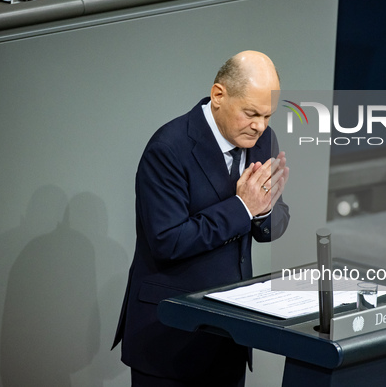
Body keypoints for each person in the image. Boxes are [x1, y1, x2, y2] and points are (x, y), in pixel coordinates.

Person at [112, 50, 290, 387]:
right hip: (170, 337)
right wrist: (243, 207)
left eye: (268, 116)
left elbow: (274, 221)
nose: (260, 126)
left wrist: (264, 210)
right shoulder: (168, 148)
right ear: (219, 95)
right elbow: (168, 241)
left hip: (230, 335)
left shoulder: (263, 139)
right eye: (251, 113)